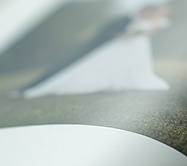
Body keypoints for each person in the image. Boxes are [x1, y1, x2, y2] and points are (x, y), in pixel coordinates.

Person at [15, 6, 171, 99]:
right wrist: (127, 35)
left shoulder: (154, 22)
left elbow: (146, 32)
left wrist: (130, 35)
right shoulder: (132, 18)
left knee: (133, 65)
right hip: (123, 43)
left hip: (135, 43)